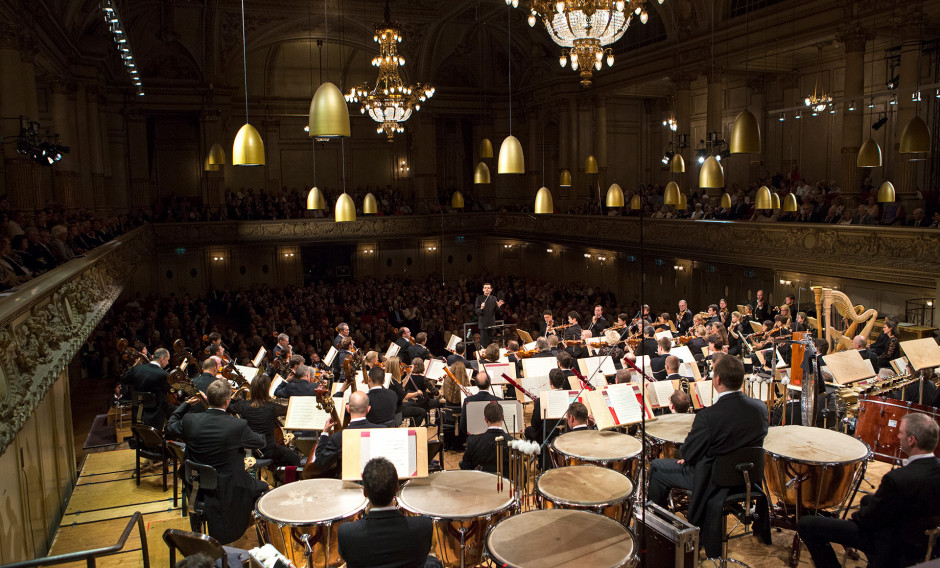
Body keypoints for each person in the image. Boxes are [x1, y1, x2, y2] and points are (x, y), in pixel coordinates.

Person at [648, 355, 770, 558]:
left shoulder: (708, 416)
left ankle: (661, 530)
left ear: (717, 380)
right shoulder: (761, 408)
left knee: (657, 467)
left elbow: (687, 453)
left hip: (714, 479)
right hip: (748, 478)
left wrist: (689, 456)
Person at [799, 413, 940, 568]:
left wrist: (855, 516)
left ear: (911, 440)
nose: (899, 435)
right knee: (867, 500)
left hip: (892, 545)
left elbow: (868, 520)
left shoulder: (896, 479)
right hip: (922, 540)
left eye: (901, 433)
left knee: (807, 524)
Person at [166, 379, 268, 544]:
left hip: (196, 485)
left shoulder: (190, 420)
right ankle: (262, 540)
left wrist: (186, 404)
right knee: (263, 488)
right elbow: (260, 442)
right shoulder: (237, 425)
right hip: (226, 489)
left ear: (207, 399)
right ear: (227, 401)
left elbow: (169, 426)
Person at [338, 457, 440, 568]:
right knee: (433, 563)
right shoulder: (423, 526)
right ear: (397, 488)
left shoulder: (347, 533)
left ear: (365, 492)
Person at [228, 373, 300, 467]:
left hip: (249, 451)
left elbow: (228, 407)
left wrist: (236, 394)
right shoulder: (272, 407)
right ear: (267, 390)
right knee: (295, 458)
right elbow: (291, 410)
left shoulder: (243, 405)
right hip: (269, 450)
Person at [313, 391, 385, 477]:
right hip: (376, 482)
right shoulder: (382, 430)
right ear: (368, 409)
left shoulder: (338, 437)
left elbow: (320, 463)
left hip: (349, 485)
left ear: (347, 408)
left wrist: (324, 433)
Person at [122, 347, 174, 430]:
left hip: (138, 411)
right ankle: (170, 434)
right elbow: (172, 390)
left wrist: (136, 364)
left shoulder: (136, 369)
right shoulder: (164, 375)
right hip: (155, 414)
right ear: (162, 359)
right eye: (167, 360)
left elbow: (124, 379)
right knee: (177, 410)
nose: (167, 363)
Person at [460, 401, 512, 473]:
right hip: (507, 483)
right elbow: (522, 475)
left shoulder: (473, 442)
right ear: (503, 417)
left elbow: (465, 469)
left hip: (481, 483)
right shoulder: (514, 443)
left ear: (486, 420)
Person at [524, 368, 569, 443]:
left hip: (546, 436)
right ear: (563, 381)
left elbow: (535, 424)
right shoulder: (570, 397)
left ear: (550, 382)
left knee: (528, 430)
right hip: (566, 433)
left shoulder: (541, 400)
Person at [458, 371, 499, 436]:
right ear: (490, 383)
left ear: (476, 384)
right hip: (495, 438)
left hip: (475, 439)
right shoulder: (498, 401)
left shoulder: (468, 400)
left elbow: (462, 425)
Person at [474, 283, 503, 348]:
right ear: (483, 289)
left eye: (488, 288)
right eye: (485, 288)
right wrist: (481, 308)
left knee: (491, 343)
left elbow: (497, 311)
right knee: (484, 344)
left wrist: (498, 306)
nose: (487, 289)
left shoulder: (494, 298)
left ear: (491, 289)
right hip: (483, 325)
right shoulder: (479, 298)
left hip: (491, 324)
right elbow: (476, 311)